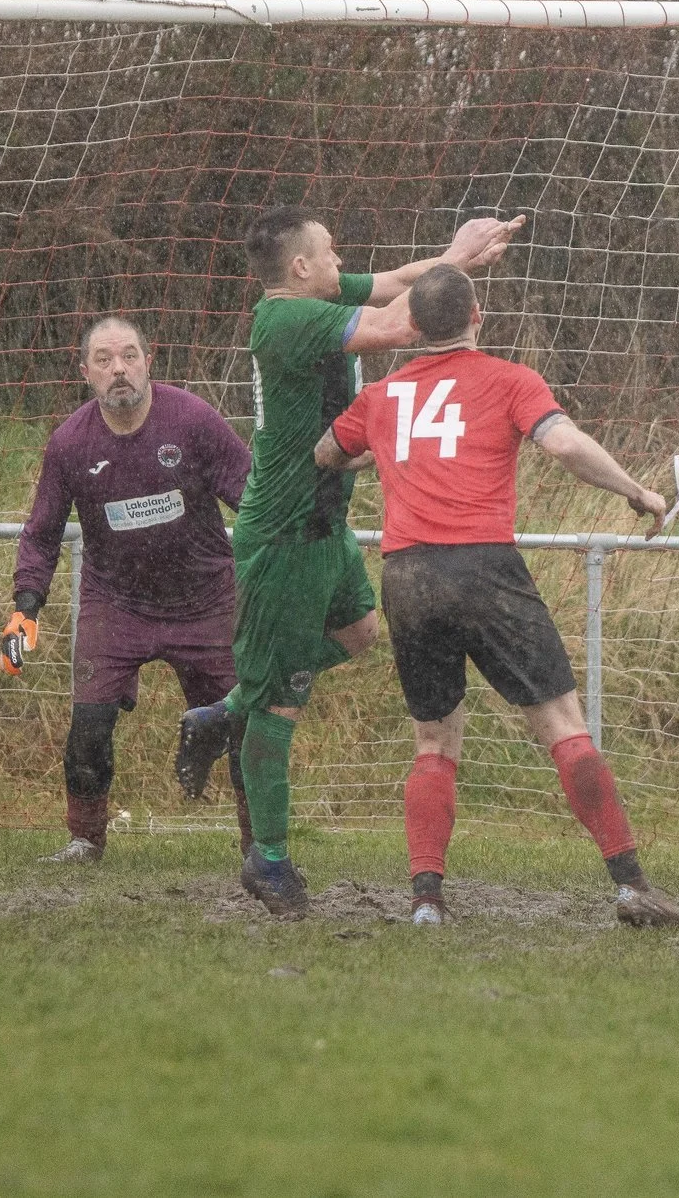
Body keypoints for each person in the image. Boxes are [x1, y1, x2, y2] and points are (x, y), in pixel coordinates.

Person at [179, 204, 526, 918]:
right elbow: (405, 322)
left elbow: (399, 283)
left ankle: (223, 712)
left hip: (325, 523)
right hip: (281, 537)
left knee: (359, 637)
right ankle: (268, 860)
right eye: (332, 253)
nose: (343, 263)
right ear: (299, 267)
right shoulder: (283, 320)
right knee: (282, 701)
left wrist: (453, 255)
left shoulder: (319, 296)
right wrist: (456, 259)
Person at [316, 266, 679, 928]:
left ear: (412, 327)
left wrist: (377, 450)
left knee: (433, 740)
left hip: (409, 575)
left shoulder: (382, 396)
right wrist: (638, 492)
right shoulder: (511, 380)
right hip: (485, 567)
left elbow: (325, 454)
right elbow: (565, 444)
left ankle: (426, 901)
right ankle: (631, 885)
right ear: (476, 316)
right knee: (561, 725)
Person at [8, 316, 253, 863]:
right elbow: (42, 533)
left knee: (249, 723)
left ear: (149, 360)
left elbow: (252, 496)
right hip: (115, 602)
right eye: (103, 359)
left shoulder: (192, 420)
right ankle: (84, 841)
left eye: (128, 356)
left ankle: (258, 845)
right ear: (85, 374)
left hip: (209, 600)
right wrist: (27, 607)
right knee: (88, 729)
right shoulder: (70, 443)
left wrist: (281, 560)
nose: (118, 369)